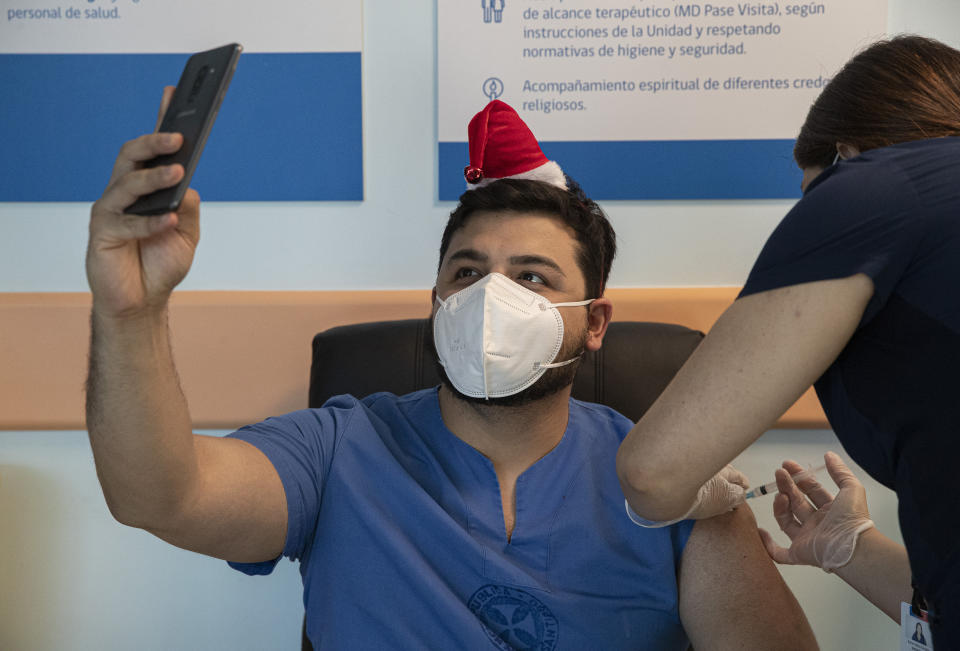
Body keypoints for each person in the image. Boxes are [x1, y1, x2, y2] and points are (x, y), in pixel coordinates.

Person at [85, 97, 817, 648]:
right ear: (436, 303)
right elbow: (160, 495)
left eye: (532, 277)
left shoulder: (663, 482)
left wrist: (721, 511)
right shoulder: (340, 448)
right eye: (467, 272)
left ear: (594, 322)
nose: (490, 298)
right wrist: (129, 312)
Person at [616, 35, 960, 647]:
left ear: (846, 153)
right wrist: (850, 549)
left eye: (813, 194)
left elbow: (653, 474)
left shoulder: (870, 188)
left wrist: (664, 497)